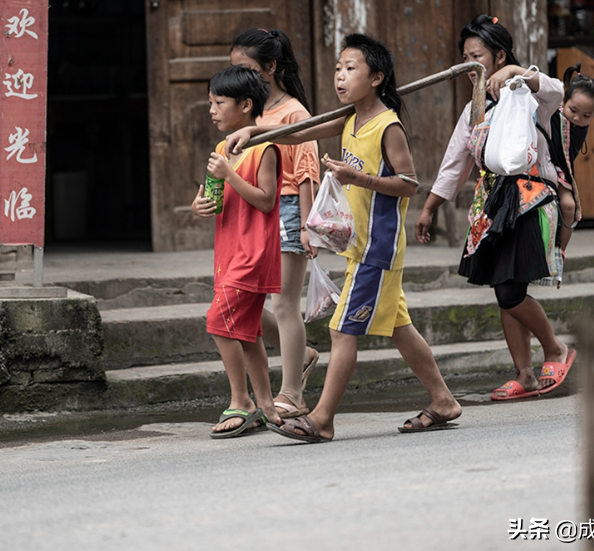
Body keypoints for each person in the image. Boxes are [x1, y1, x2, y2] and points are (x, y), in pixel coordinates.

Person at [227, 33, 462, 442]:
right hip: (362, 244)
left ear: (376, 77)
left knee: (341, 330)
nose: (340, 76)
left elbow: (409, 183)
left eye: (350, 68)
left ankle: (321, 419)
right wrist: (253, 133)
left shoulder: (388, 126)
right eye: (338, 68)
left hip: (378, 245)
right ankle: (442, 400)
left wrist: (359, 178)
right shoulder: (352, 118)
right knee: (399, 327)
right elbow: (300, 133)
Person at [414, 14, 575, 401]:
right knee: (504, 284)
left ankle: (556, 349)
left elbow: (557, 90)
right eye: (466, 58)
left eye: (478, 56)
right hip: (490, 205)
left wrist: (520, 72)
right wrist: (429, 207)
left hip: (529, 198)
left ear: (499, 56)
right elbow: (456, 160)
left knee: (508, 289)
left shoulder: (530, 94)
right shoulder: (476, 107)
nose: (471, 65)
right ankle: (525, 374)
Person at [230, 28, 321, 419]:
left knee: (284, 305)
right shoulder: (251, 108)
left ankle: (293, 394)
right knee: (243, 303)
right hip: (252, 213)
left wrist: (306, 221)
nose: (241, 76)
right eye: (235, 69)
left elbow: (306, 170)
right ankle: (303, 353)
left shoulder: (293, 113)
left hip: (286, 210)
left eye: (248, 69)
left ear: (270, 67)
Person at [191, 65, 282, 438]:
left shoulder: (265, 148)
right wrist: (200, 204)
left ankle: (240, 399)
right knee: (245, 332)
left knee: (218, 321)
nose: (212, 109)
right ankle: (267, 405)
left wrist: (230, 174)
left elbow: (265, 201)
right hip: (228, 250)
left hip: (253, 251)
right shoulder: (221, 148)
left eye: (219, 102)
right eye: (210, 102)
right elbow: (217, 199)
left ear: (246, 105)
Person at [545, 64, 594, 265]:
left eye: (587, 116)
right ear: (563, 101)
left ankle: (559, 252)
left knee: (569, 206)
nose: (577, 118)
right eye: (573, 110)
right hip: (538, 165)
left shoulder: (577, 128)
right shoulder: (549, 111)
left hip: (558, 172)